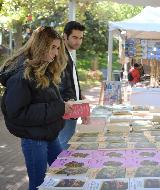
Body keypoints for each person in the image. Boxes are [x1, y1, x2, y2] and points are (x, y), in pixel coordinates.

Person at [0, 26, 72, 190]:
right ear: (41, 46)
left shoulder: (42, 68)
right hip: (34, 140)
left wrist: (63, 106)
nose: (55, 53)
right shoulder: (21, 76)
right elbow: (17, 113)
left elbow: (47, 100)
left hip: (49, 134)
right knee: (38, 185)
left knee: (63, 175)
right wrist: (59, 108)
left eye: (57, 48)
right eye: (52, 47)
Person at [58, 21, 89, 149]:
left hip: (71, 109)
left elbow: (72, 83)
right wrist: (74, 104)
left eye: (80, 38)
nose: (78, 41)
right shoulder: (60, 55)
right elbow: (62, 85)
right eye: (75, 37)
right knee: (63, 147)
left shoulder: (67, 54)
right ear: (65, 36)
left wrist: (82, 101)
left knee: (65, 145)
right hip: (66, 111)